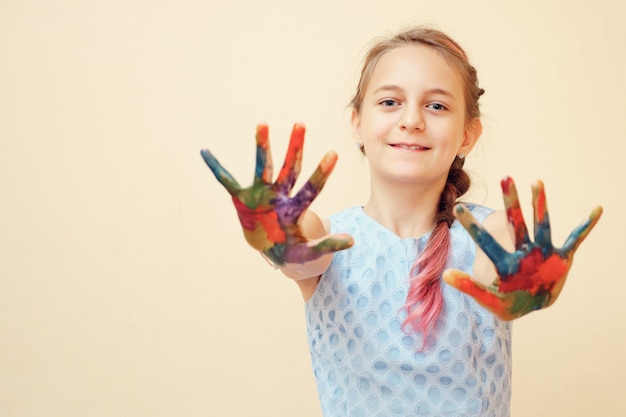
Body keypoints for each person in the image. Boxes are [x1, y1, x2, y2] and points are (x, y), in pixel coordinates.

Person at [200, 26, 602, 417]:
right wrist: (277, 235)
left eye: (437, 105)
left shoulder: (487, 235)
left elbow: (497, 263)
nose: (412, 120)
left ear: (468, 134)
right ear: (357, 123)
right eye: (390, 102)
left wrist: (519, 281)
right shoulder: (329, 241)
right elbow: (301, 253)